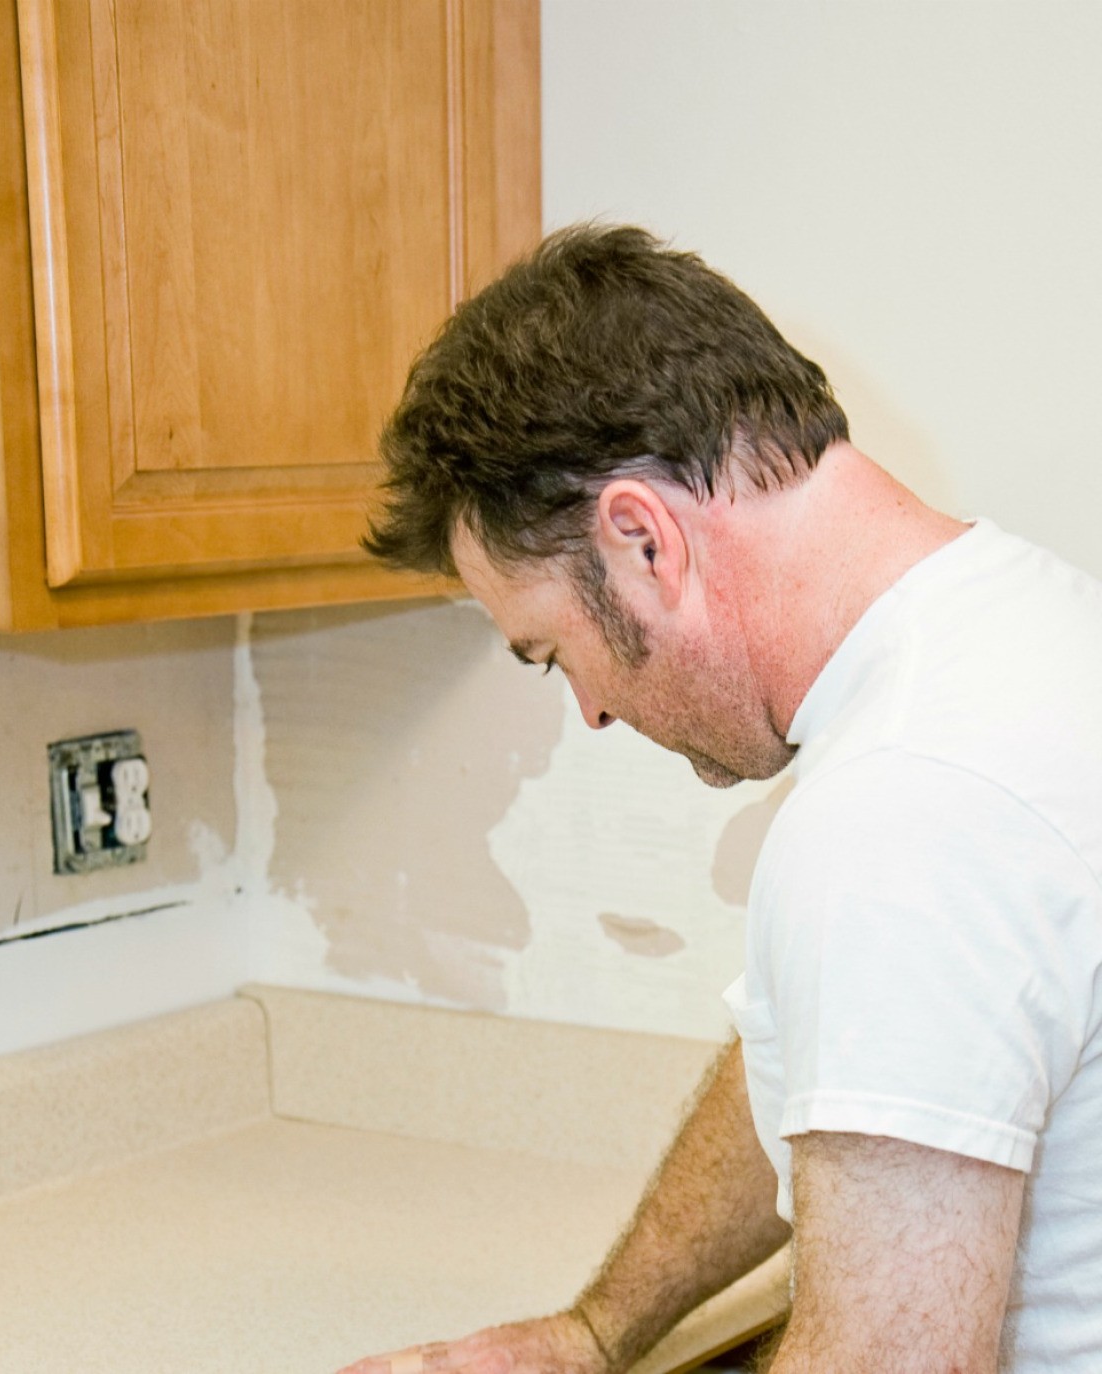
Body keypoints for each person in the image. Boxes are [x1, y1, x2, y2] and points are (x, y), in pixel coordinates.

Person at [337, 226, 1102, 1373]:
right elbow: (817, 1054)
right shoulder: (1022, 623)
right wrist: (596, 1332)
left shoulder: (904, 810)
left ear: (643, 539)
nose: (589, 712)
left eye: (550, 653)